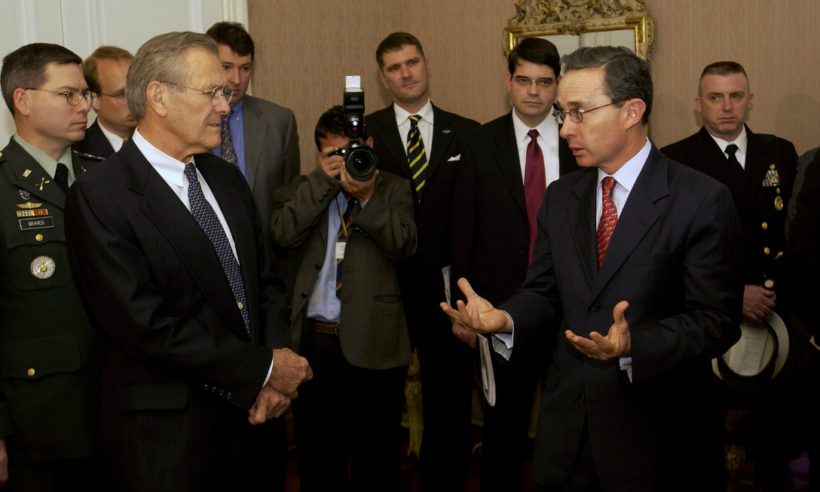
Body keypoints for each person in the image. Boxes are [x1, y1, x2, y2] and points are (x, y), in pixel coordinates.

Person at [442, 46, 743, 492]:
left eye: (579, 112)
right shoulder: (563, 197)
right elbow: (544, 292)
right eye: (564, 113)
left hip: (656, 441)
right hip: (567, 440)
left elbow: (716, 322)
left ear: (632, 111)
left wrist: (632, 343)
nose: (565, 128)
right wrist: (503, 318)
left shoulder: (700, 199)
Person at [63, 31, 312, 492]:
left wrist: (275, 377)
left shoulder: (225, 178)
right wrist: (262, 368)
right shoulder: (101, 195)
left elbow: (264, 283)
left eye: (227, 93)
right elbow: (143, 324)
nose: (225, 106)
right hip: (173, 439)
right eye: (213, 92)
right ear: (158, 96)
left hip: (256, 422)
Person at [661, 61, 799, 490]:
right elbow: (670, 251)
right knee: (706, 438)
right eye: (716, 98)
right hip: (711, 314)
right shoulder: (674, 159)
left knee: (775, 433)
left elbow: (792, 231)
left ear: (750, 100)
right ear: (698, 104)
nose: (727, 107)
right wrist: (734, 294)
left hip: (774, 315)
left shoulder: (779, 153)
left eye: (736, 96)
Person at [452, 37, 578, 492]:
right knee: (503, 428)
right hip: (499, 308)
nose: (533, 92)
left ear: (557, 85)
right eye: (524, 80)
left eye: (545, 82)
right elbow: (462, 233)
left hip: (571, 307)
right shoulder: (479, 143)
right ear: (508, 82)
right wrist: (464, 311)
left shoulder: (578, 141)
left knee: (571, 427)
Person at [270, 106, 416, 491]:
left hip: (376, 341)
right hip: (315, 345)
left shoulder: (394, 189)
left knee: (378, 454)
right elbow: (282, 234)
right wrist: (323, 181)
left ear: (366, 145)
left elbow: (404, 245)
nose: (342, 161)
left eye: (348, 150)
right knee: (319, 455)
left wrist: (366, 199)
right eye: (330, 154)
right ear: (318, 156)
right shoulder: (303, 188)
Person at [365, 31, 480, 491]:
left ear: (427, 64)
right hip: (384, 286)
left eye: (412, 62)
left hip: (445, 289)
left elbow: (473, 219)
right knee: (378, 400)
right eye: (394, 67)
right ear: (382, 78)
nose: (406, 73)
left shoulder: (468, 132)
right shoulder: (365, 133)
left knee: (449, 398)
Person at [0, 42, 102, 490]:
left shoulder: (107, 176)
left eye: (86, 95)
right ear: (22, 100)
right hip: (39, 422)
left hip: (116, 409)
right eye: (68, 95)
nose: (84, 106)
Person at [206, 22, 300, 245]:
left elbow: (290, 198)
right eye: (226, 67)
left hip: (267, 254)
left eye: (245, 68)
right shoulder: (189, 121)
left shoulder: (279, 121)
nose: (237, 80)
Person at [74, 45, 136, 158]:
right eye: (122, 94)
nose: (135, 99)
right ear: (94, 99)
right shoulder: (77, 154)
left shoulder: (167, 143)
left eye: (139, 89)